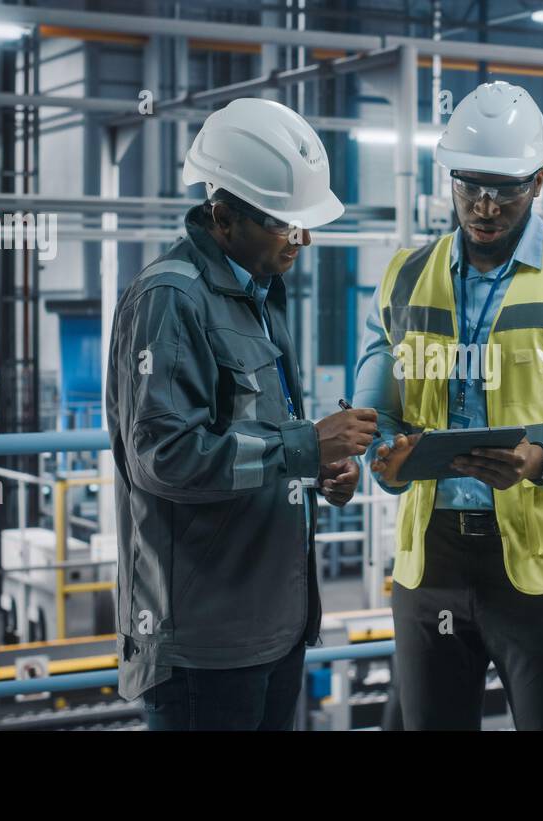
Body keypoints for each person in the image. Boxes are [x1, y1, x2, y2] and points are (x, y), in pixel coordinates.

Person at [353, 80, 543, 730]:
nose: (486, 206)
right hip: (430, 562)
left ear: (540, 180)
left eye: (508, 188)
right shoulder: (405, 276)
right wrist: (380, 452)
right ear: (451, 178)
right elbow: (373, 411)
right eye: (470, 185)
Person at [107, 97, 378, 730]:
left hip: (274, 624)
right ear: (223, 216)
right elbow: (165, 459)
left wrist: (317, 471)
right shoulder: (171, 299)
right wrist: (305, 447)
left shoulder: (258, 296)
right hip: (208, 641)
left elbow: (254, 439)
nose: (302, 239)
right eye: (286, 223)